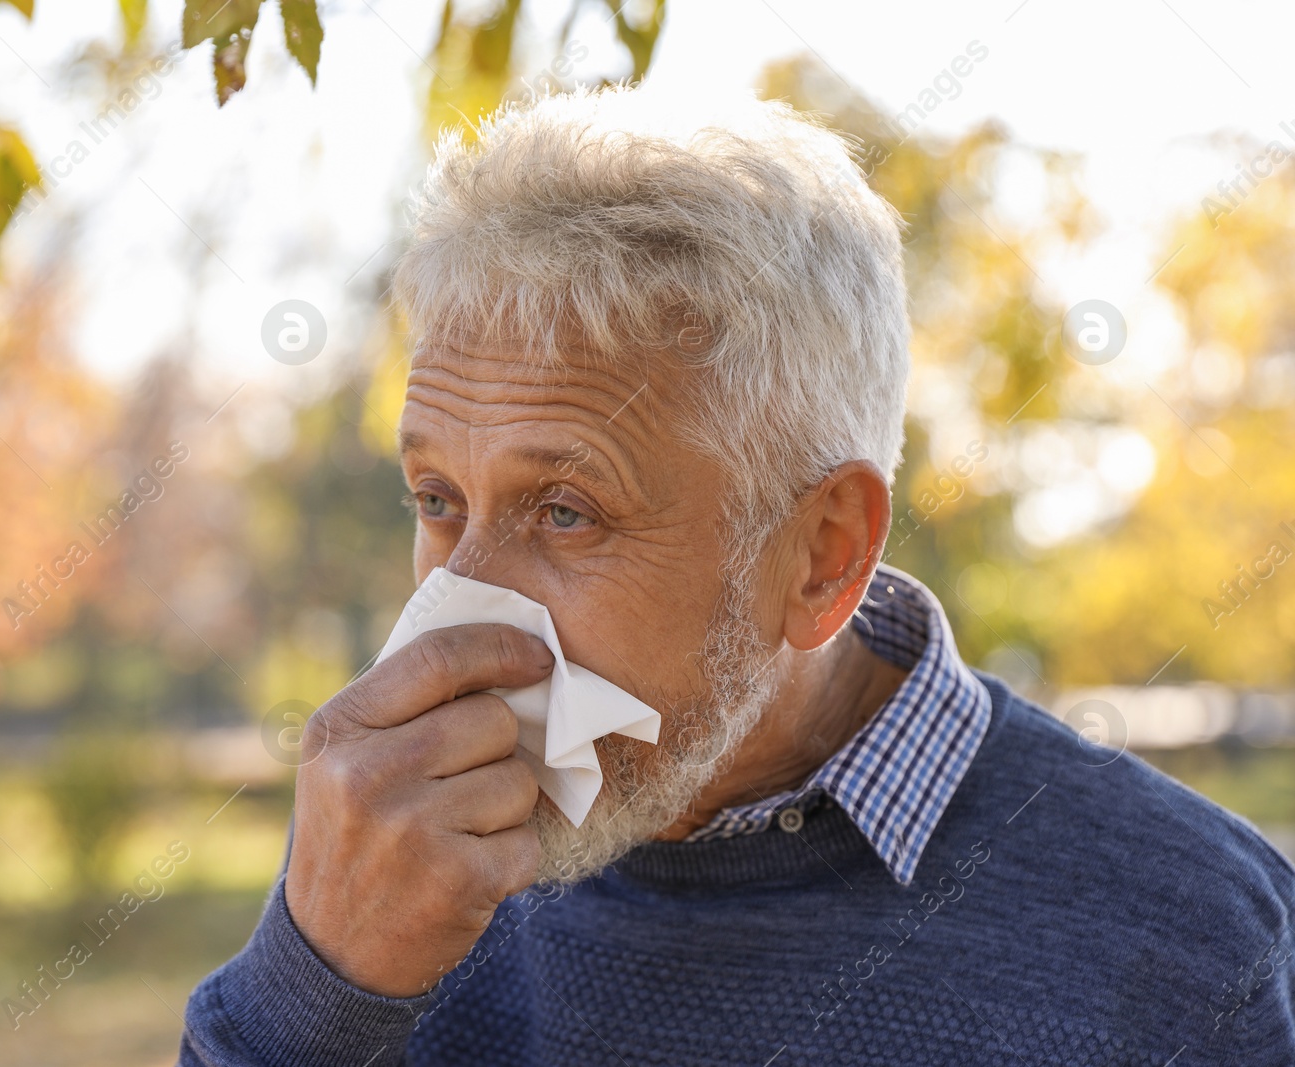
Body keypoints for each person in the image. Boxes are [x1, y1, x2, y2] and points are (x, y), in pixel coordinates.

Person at [178, 85, 1295, 1065]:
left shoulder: (1197, 942)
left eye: (565, 510)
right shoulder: (391, 857)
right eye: (437, 501)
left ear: (822, 553)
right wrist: (313, 991)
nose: (453, 613)